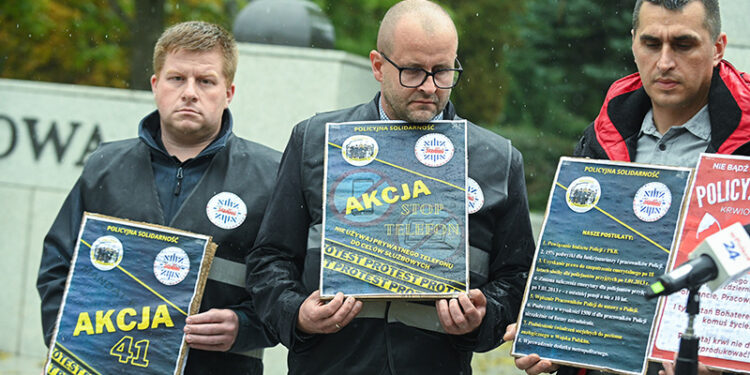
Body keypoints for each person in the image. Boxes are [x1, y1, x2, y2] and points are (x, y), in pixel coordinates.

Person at [245, 0, 536, 374]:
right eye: (413, 71)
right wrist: (296, 313)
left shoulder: (496, 159)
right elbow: (269, 259)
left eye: (443, 71)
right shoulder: (315, 141)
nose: (430, 87)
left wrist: (484, 317)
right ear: (378, 66)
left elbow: (517, 277)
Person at [504, 0, 750, 375]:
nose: (665, 61)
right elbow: (577, 261)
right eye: (652, 44)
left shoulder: (745, 143)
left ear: (717, 48)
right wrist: (551, 331)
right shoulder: (602, 135)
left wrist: (728, 360)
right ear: (633, 42)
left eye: (683, 45)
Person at [37, 21, 279, 374]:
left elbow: (288, 283)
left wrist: (248, 326)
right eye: (177, 78)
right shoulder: (104, 167)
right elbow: (57, 267)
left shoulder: (269, 176)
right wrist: (69, 346)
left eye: (206, 81)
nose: (190, 92)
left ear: (229, 92)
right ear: (155, 85)